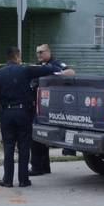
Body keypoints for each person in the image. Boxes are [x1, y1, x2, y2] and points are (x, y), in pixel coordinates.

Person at [0, 46, 62, 188]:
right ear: (17, 57)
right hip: (23, 114)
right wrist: (57, 66)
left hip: (6, 115)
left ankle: (7, 180)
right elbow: (48, 69)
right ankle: (23, 180)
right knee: (24, 147)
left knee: (8, 147)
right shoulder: (26, 70)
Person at [30, 44, 75, 175]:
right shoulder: (38, 65)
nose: (39, 55)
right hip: (39, 105)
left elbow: (71, 72)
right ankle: (43, 167)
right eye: (37, 53)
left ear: (48, 52)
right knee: (41, 136)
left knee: (37, 136)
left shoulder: (55, 63)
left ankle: (37, 167)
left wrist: (57, 73)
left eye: (41, 52)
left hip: (51, 106)